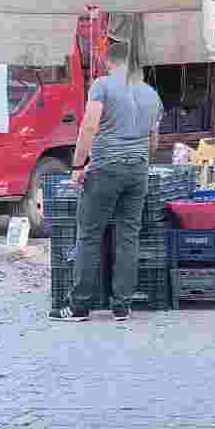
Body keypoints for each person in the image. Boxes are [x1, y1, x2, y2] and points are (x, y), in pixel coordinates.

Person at [52, 42, 162, 322]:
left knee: (89, 235)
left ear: (107, 61)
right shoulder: (151, 93)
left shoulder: (102, 85)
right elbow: (154, 139)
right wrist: (138, 160)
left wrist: (78, 165)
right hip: (138, 170)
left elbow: (89, 126)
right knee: (128, 236)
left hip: (105, 169)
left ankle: (79, 307)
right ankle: (122, 306)